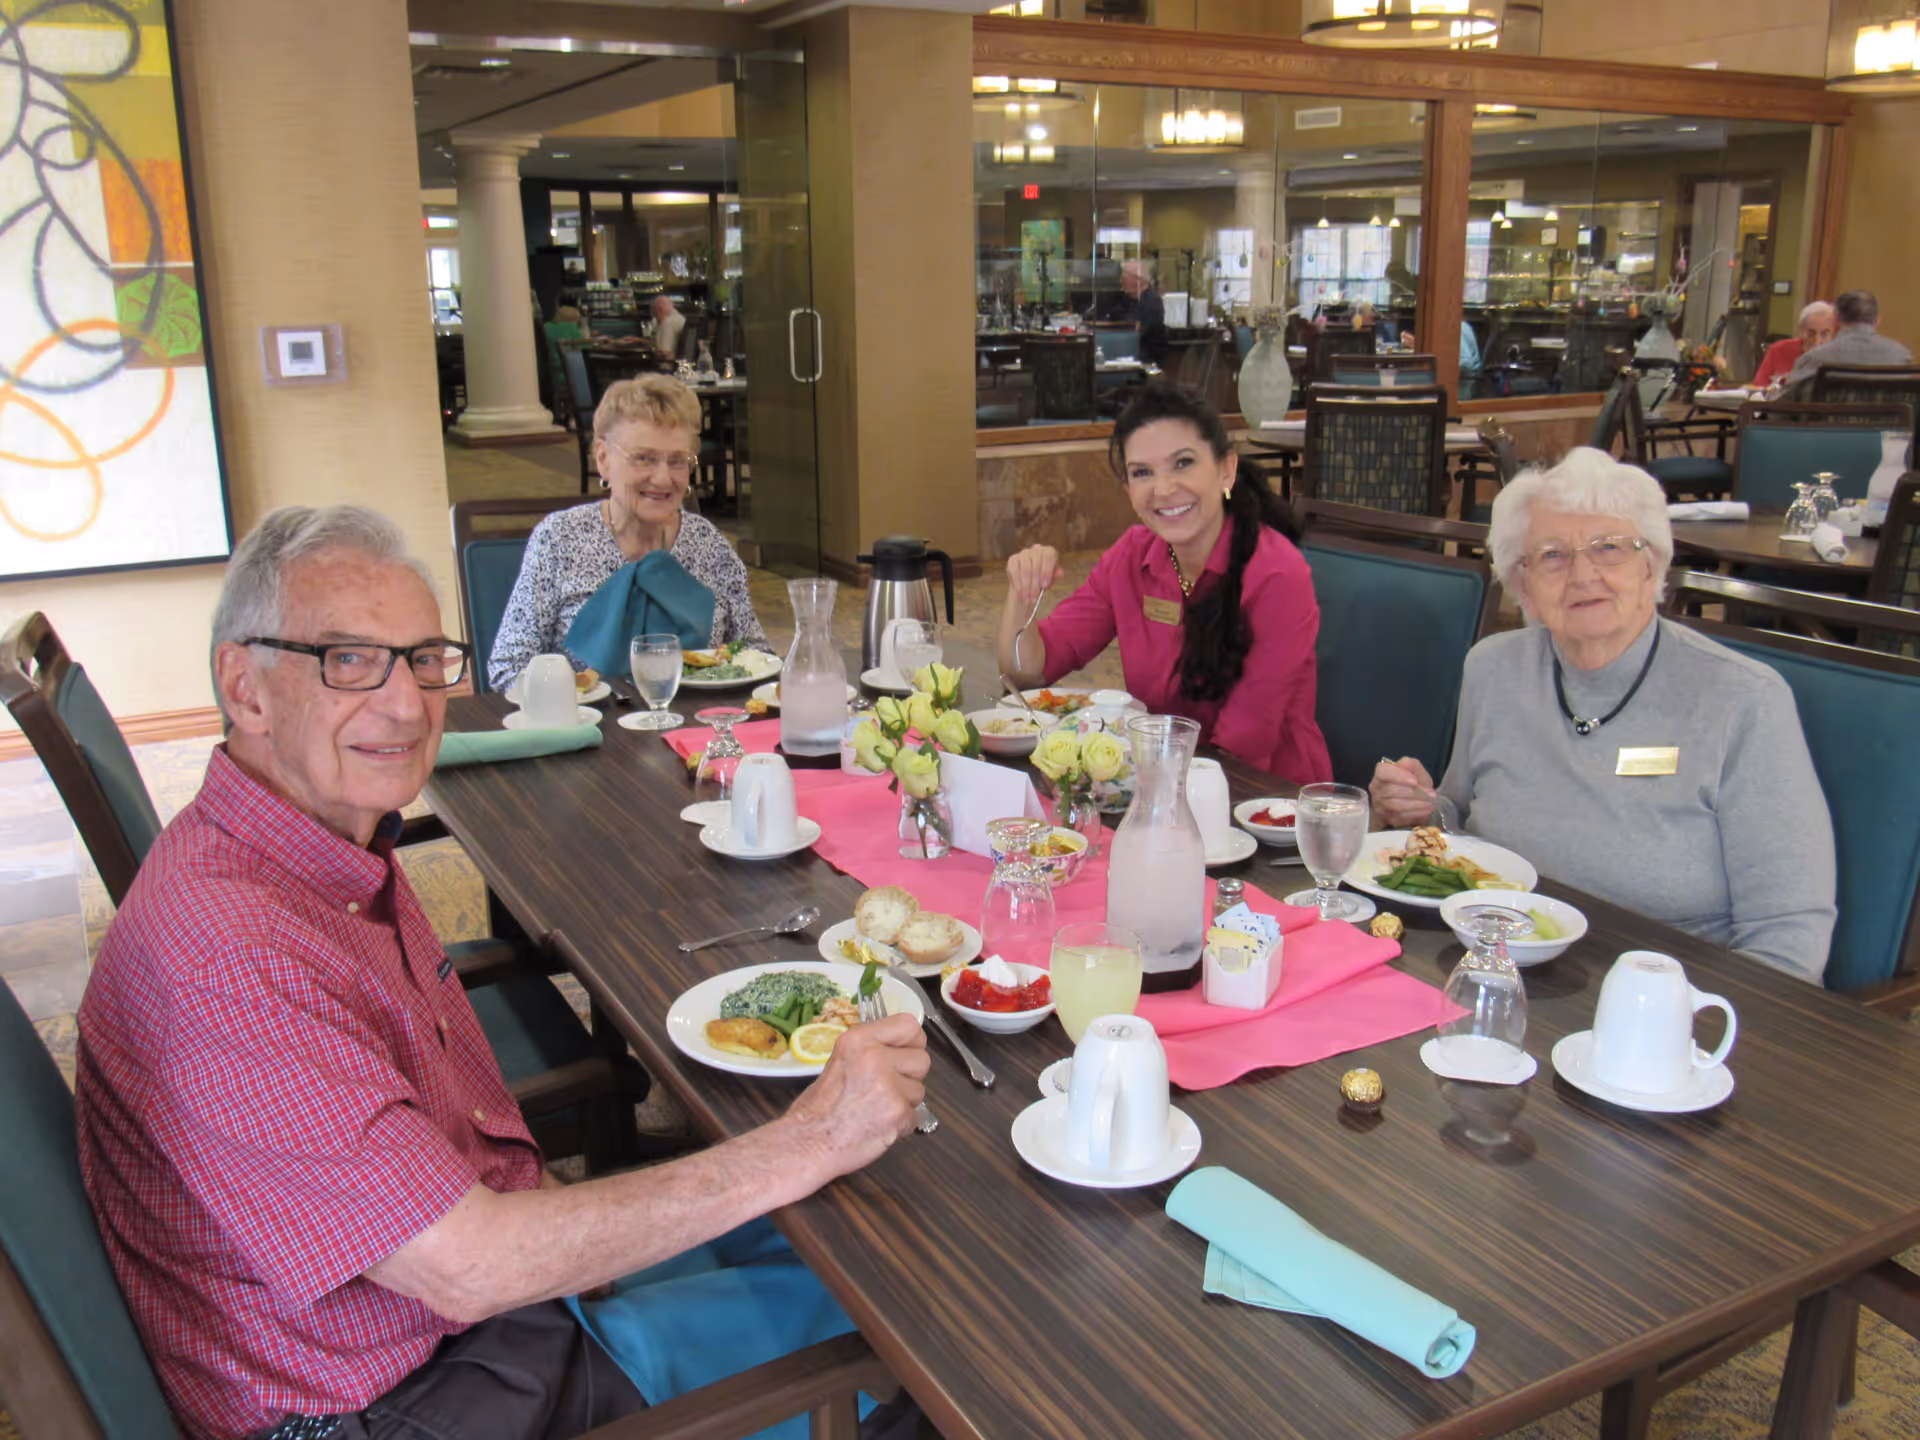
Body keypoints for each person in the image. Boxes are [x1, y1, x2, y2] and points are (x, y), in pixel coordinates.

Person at [75, 505, 931, 1440]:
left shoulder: (311, 843)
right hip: (392, 1398)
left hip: (433, 1320)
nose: (406, 705)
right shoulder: (229, 955)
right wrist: (807, 1138)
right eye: (349, 661)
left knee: (863, 1238)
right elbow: (466, 1266)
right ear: (245, 687)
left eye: (423, 659)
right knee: (910, 1341)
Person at [1369, 448, 1836, 983]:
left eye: (1609, 548)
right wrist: (1420, 812)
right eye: (1552, 555)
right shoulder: (1495, 669)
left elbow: (1790, 934)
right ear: (1523, 586)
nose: (1583, 574)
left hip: (1671, 1006)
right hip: (1498, 969)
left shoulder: (1743, 700)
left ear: (1651, 565)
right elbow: (1460, 817)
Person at [997, 383, 1331, 785]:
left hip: (1262, 800)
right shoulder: (1132, 558)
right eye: (1143, 473)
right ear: (1128, 490)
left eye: (1183, 463)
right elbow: (1028, 673)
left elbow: (1245, 741)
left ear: (1226, 469)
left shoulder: (1276, 574)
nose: (1164, 489)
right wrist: (1023, 588)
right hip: (1161, 778)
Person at [489, 373, 767, 690]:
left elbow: (756, 656)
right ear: (603, 458)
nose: (663, 479)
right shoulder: (559, 539)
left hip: (694, 729)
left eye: (678, 461)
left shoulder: (709, 545)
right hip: (586, 732)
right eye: (644, 459)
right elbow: (507, 670)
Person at [1783, 288, 1911, 391]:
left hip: (1827, 423)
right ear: (1877, 321)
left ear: (1836, 320)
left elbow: (1782, 407)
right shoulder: (1901, 356)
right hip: (1886, 423)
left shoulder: (1815, 358)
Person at [1750, 300, 1835, 389]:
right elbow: (1758, 389)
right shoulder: (1778, 350)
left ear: (1833, 333)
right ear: (1801, 330)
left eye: (1825, 334)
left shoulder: (1839, 357)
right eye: (1811, 333)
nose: (1817, 340)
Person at [1120, 259, 1168, 366]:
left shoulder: (1151, 303)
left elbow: (1133, 333)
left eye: (1124, 279)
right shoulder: (1129, 301)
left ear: (1137, 280)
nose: (1121, 282)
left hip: (1145, 362)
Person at [650, 293, 685, 359]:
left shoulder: (667, 323)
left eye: (654, 313)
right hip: (677, 363)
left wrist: (649, 351)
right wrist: (639, 340)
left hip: (666, 365)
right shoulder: (680, 318)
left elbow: (663, 352)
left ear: (659, 310)